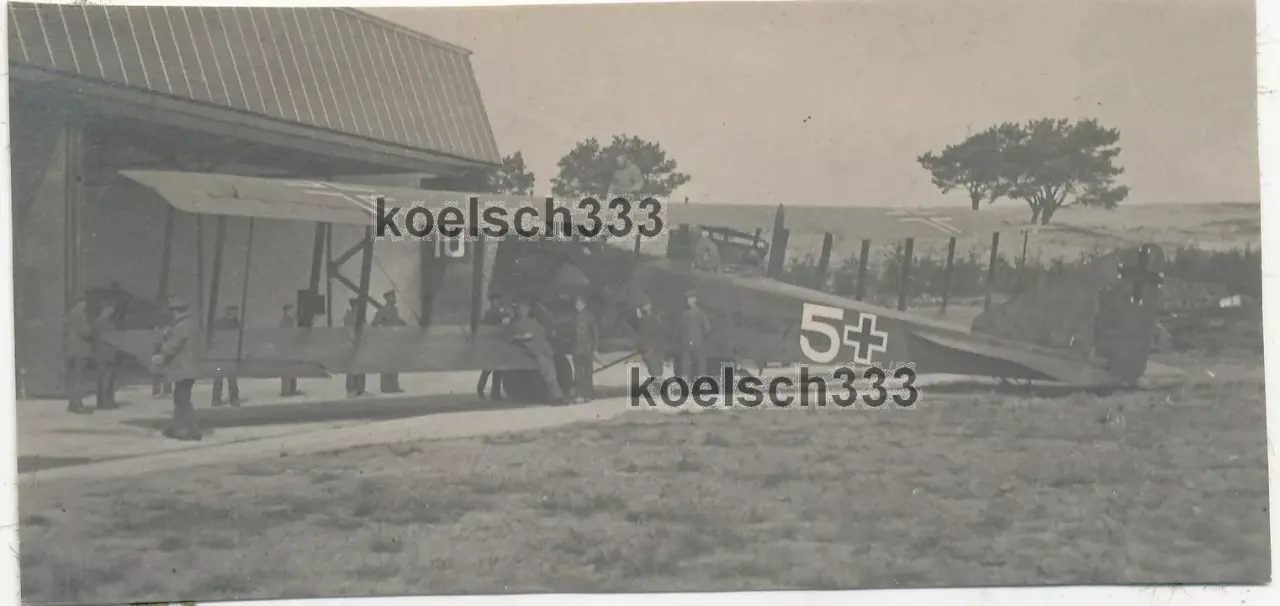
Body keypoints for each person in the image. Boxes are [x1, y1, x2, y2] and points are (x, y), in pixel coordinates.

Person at [152, 296, 202, 441]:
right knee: (182, 397)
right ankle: (179, 427)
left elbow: (173, 345)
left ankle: (188, 430)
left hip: (182, 369)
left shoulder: (180, 327)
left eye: (173, 311)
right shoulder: (193, 324)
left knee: (182, 399)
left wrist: (161, 355)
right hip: (192, 368)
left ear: (176, 311)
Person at [509, 300, 567, 405]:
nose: (523, 310)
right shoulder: (515, 322)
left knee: (552, 373)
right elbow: (509, 336)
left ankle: (557, 397)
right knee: (548, 375)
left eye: (525, 308)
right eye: (521, 308)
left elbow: (543, 333)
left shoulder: (534, 321)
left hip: (544, 348)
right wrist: (521, 337)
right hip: (534, 349)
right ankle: (557, 397)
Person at [477, 295, 513, 400]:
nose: (497, 304)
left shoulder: (496, 313)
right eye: (495, 302)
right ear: (492, 303)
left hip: (496, 345)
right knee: (488, 370)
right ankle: (481, 390)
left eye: (498, 302)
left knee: (497, 370)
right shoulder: (490, 314)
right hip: (491, 345)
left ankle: (494, 393)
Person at [64, 295, 95, 415]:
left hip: (72, 350)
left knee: (74, 378)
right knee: (79, 378)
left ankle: (73, 403)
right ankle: (76, 405)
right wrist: (91, 329)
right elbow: (85, 331)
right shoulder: (81, 314)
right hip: (80, 350)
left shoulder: (72, 314)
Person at [370, 290, 406, 393]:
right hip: (386, 342)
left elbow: (398, 322)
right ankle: (385, 387)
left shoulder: (395, 310)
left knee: (395, 363)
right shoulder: (382, 311)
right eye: (392, 297)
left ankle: (394, 386)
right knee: (386, 364)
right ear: (387, 299)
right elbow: (374, 324)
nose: (394, 299)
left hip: (395, 342)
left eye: (394, 297)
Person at [211, 305, 243, 407]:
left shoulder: (236, 323)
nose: (234, 314)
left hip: (229, 355)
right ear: (228, 311)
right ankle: (216, 399)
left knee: (231, 378)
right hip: (221, 355)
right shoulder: (220, 323)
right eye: (233, 311)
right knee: (219, 378)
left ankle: (232, 398)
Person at [678, 290, 712, 382]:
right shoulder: (688, 313)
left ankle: (695, 385)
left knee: (696, 366)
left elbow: (707, 327)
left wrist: (696, 338)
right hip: (692, 343)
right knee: (689, 366)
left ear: (695, 299)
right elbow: (707, 328)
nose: (690, 301)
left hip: (694, 343)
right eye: (689, 299)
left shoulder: (697, 313)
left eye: (692, 299)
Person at [569, 295, 598, 403]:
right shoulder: (573, 317)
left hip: (587, 348)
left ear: (584, 304)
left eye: (580, 303)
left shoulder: (590, 317)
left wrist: (594, 348)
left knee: (588, 372)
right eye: (576, 304)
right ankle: (580, 394)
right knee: (578, 373)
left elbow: (595, 333)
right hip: (576, 349)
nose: (578, 306)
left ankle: (589, 394)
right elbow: (571, 334)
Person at [92, 304, 120, 410]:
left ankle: (105, 401)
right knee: (105, 379)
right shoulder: (100, 323)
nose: (112, 313)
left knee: (108, 379)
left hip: (109, 354)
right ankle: (105, 402)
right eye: (111, 311)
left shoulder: (106, 322)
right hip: (105, 354)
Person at [634, 297, 666, 390]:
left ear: (650, 306)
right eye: (643, 306)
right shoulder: (642, 319)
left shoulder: (656, 317)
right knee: (653, 368)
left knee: (657, 367)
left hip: (656, 346)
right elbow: (641, 334)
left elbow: (659, 331)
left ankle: (658, 387)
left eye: (646, 305)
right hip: (649, 347)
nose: (645, 308)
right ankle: (658, 387)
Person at [343, 297, 367, 397]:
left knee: (360, 366)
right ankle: (351, 388)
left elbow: (365, 328)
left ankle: (360, 388)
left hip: (360, 344)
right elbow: (348, 330)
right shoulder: (348, 316)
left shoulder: (361, 317)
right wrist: (353, 340)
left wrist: (363, 337)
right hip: (352, 344)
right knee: (351, 366)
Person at [151, 295, 173, 399]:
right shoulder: (158, 315)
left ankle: (165, 390)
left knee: (166, 367)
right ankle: (157, 390)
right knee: (158, 366)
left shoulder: (169, 315)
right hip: (159, 342)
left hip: (165, 342)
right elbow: (155, 329)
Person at [278, 304, 302, 397]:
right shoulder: (286, 320)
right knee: (287, 369)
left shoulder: (290, 320)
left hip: (290, 347)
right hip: (287, 348)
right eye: (290, 310)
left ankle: (291, 389)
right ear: (286, 311)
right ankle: (286, 390)